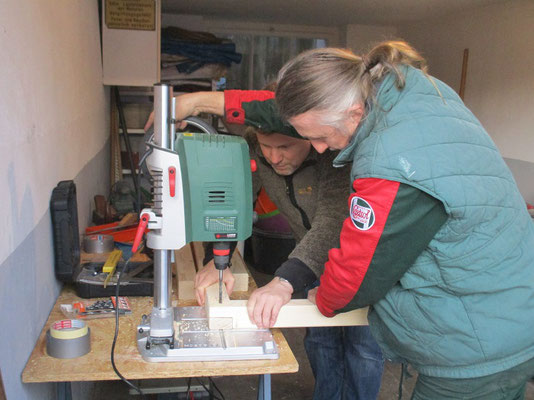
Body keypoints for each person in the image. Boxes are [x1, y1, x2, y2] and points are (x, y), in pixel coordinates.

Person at [271, 40, 534, 399]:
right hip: (515, 313)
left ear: (353, 112)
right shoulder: (422, 96)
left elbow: (357, 273)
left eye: (319, 136)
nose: (317, 148)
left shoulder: (388, 158)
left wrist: (323, 295)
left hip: (473, 344)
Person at [169, 89, 384, 400]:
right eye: (266, 146)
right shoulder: (255, 151)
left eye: (284, 146)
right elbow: (234, 203)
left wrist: (284, 281)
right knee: (321, 339)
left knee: (361, 343)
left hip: (359, 260)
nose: (273, 156)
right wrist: (219, 261)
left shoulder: (332, 153)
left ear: (309, 136)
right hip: (307, 257)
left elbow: (331, 223)